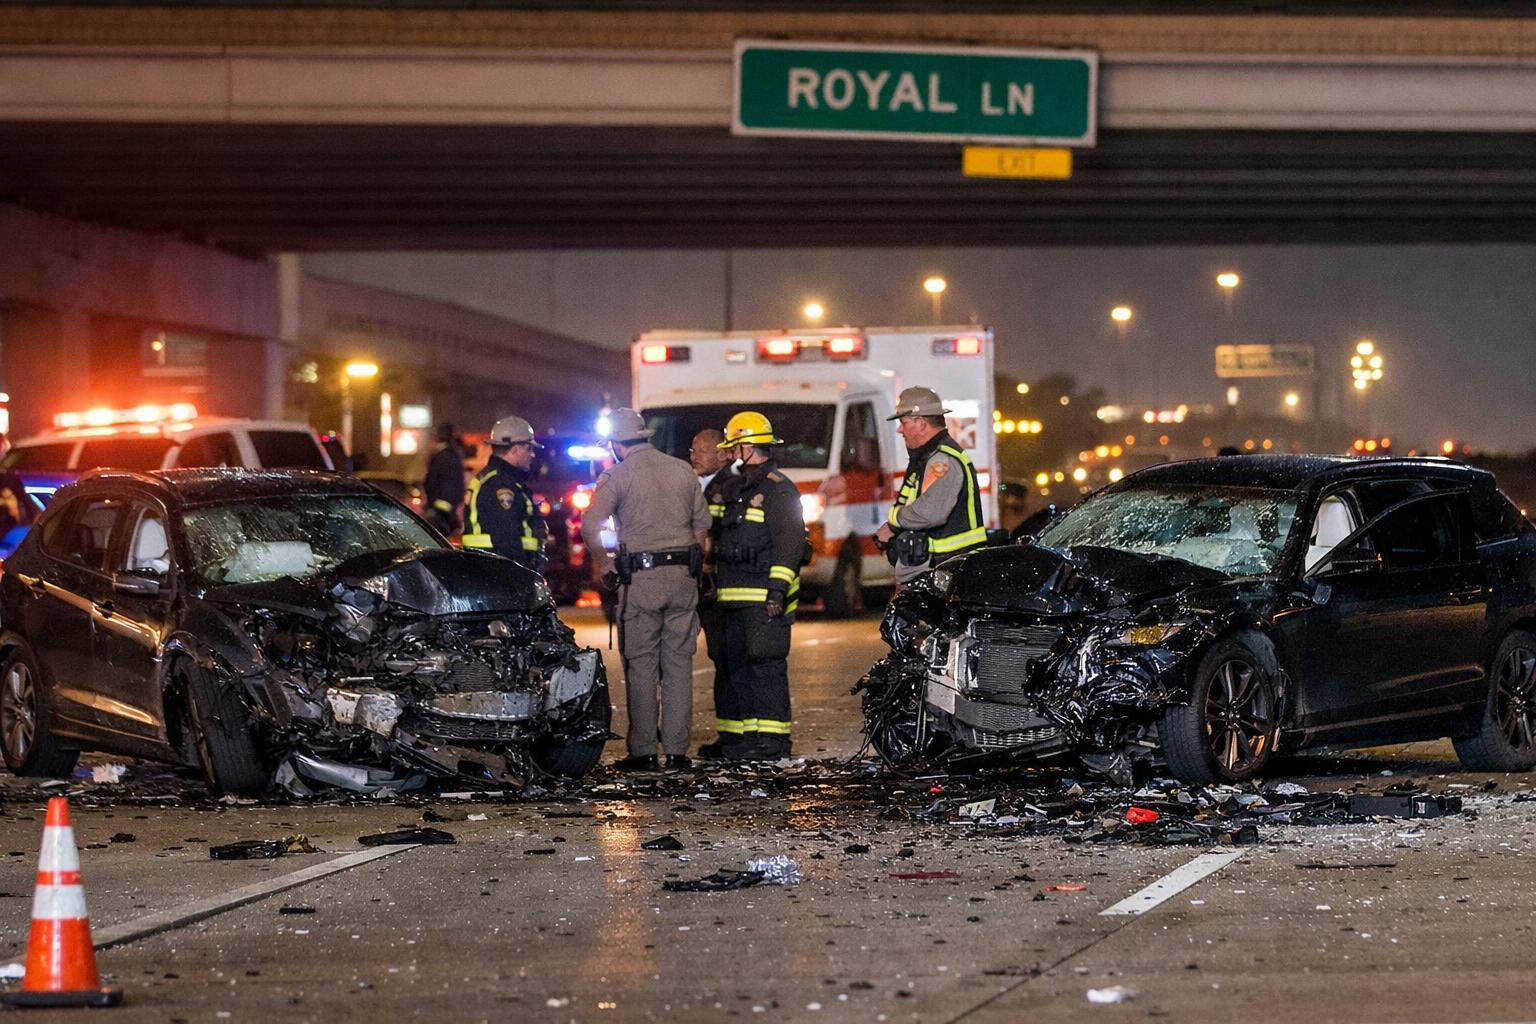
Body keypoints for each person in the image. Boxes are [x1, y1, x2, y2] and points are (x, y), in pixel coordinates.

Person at [581, 409, 710, 772]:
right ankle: (678, 753)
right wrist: (693, 570)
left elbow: (591, 525)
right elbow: (701, 528)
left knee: (641, 666)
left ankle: (643, 753)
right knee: (679, 665)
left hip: (641, 581)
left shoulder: (617, 475)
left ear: (617, 444)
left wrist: (604, 563)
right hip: (683, 579)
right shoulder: (682, 470)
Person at [712, 411, 805, 760]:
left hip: (764, 597)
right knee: (736, 666)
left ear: (749, 447)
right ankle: (742, 739)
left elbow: (790, 543)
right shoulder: (735, 489)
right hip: (732, 596)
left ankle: (773, 741)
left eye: (734, 448)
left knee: (765, 666)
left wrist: (777, 591)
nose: (731, 455)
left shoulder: (778, 490)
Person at [875, 386, 986, 587]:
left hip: (946, 573)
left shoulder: (942, 461)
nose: (900, 429)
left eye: (903, 422)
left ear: (921, 422)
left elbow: (929, 513)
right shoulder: (927, 457)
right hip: (936, 571)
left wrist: (893, 524)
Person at [688, 428, 738, 759]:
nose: (694, 457)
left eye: (701, 452)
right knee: (722, 660)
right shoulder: (705, 486)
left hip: (723, 588)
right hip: (711, 589)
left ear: (722, 454)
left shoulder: (728, 487)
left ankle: (733, 737)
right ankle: (731, 735)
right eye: (692, 450)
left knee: (729, 661)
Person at [461, 415, 548, 571]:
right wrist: (525, 575)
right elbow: (507, 541)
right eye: (529, 448)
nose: (533, 454)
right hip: (501, 576)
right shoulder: (500, 486)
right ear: (514, 449)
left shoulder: (502, 481)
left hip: (491, 573)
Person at [422, 422, 465, 534]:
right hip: (448, 511)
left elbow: (431, 483)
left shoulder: (440, 457)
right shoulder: (453, 457)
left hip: (440, 513)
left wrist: (431, 505)